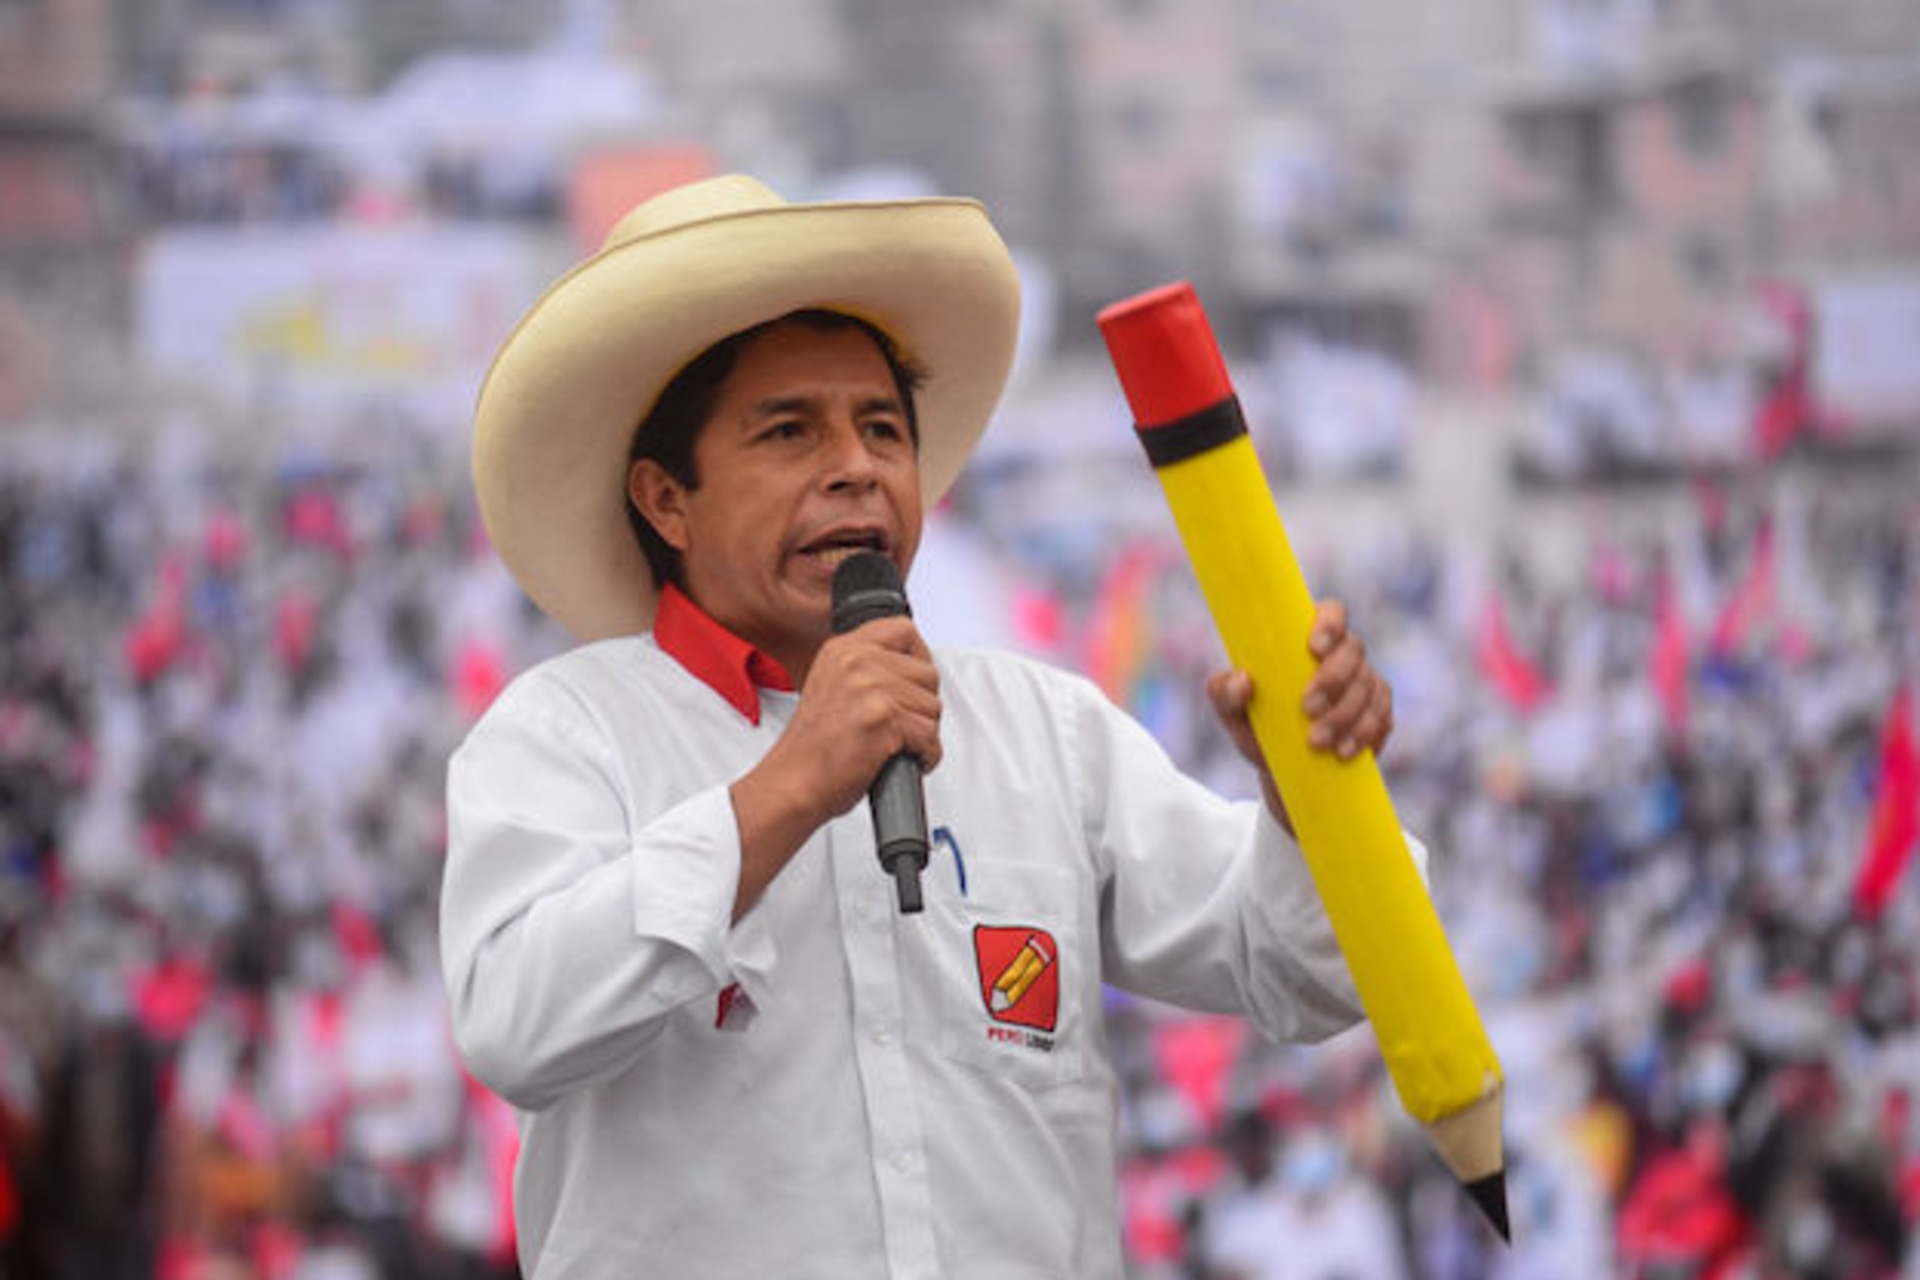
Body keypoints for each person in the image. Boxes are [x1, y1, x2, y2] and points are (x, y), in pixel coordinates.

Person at [440, 174, 1423, 1279]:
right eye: (788, 430)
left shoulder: (1040, 726)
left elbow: (1302, 973)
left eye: (880, 428)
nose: (856, 464)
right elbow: (515, 1023)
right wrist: (793, 781)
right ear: (667, 499)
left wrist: (1306, 798)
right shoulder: (565, 735)